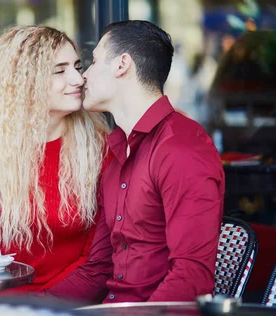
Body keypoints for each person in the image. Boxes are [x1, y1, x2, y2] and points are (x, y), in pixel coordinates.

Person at [45, 20, 225, 303]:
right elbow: (99, 268)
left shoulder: (181, 148)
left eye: (93, 62)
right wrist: (26, 308)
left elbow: (192, 278)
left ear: (122, 65)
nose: (83, 78)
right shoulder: (117, 154)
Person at [0, 25, 110, 293]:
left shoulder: (99, 148)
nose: (78, 79)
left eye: (77, 66)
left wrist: (38, 307)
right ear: (25, 82)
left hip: (68, 302)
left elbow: (96, 257)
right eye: (60, 71)